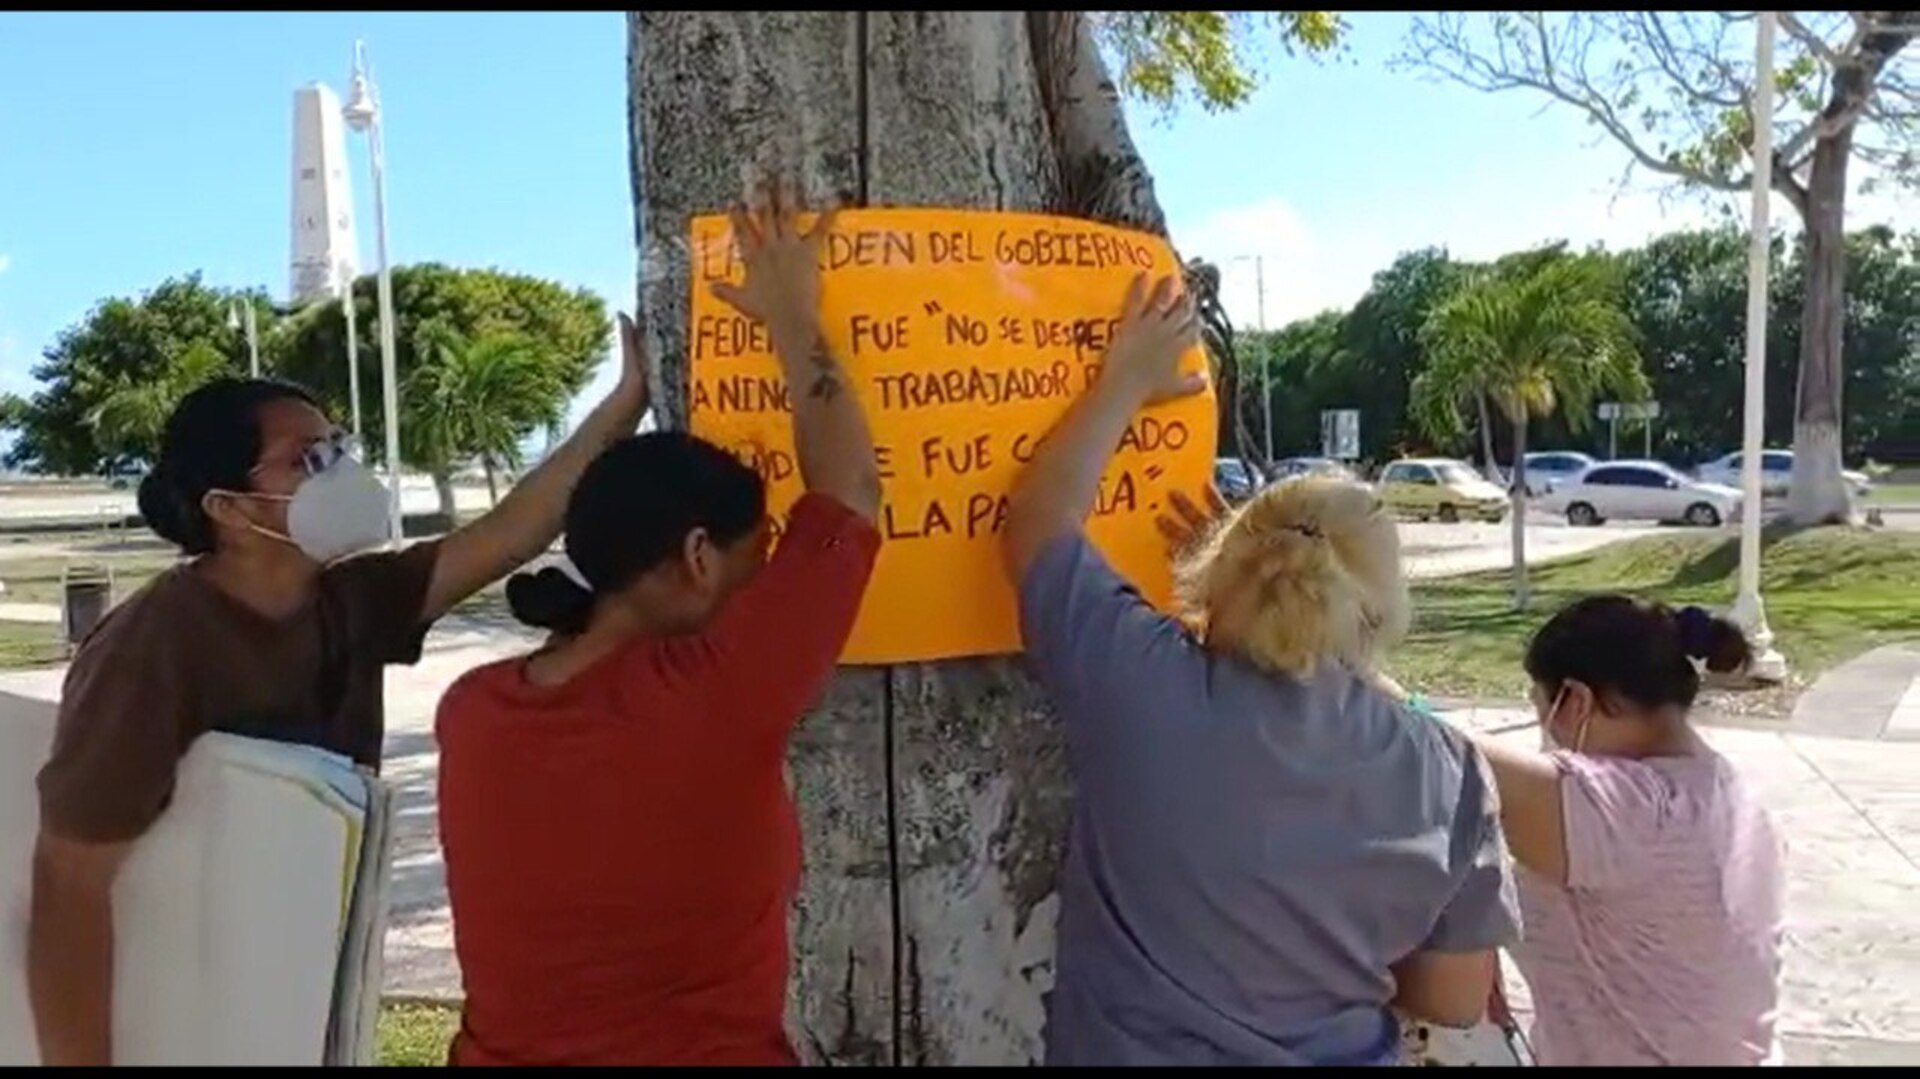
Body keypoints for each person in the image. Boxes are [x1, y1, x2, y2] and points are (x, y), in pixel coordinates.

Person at [28, 318, 655, 1065]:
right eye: (307, 458)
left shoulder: (354, 597)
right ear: (227, 507)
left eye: (340, 447)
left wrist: (623, 405)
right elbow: (69, 885)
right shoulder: (152, 649)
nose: (341, 470)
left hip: (302, 983)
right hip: (193, 1007)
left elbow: (511, 533)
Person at [1001, 273, 1520, 1067]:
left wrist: (1125, 380)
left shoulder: (1139, 681)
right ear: (1374, 607)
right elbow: (1450, 997)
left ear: (1222, 565)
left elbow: (1037, 520)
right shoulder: (1452, 775)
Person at [432, 183, 881, 1066]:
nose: (761, 594)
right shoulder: (714, 694)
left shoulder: (472, 712)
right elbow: (851, 492)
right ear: (699, 558)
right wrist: (795, 313)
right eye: (757, 568)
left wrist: (621, 411)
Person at [1455, 596, 1784, 1066]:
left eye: (1540, 704)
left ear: (1576, 700)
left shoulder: (1627, 812)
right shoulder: (1732, 794)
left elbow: (1430, 750)